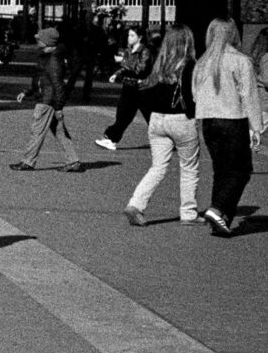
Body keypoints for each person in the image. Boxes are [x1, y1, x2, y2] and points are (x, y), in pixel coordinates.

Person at [123, 24, 202, 227]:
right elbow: (193, 94)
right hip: (181, 119)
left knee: (158, 166)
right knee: (189, 167)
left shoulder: (160, 63)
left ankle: (136, 203)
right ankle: (188, 213)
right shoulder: (190, 65)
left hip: (157, 120)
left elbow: (146, 89)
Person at [193, 18, 264, 237]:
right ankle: (218, 209)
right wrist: (256, 127)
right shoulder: (241, 61)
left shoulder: (202, 62)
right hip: (232, 120)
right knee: (241, 171)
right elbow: (249, 95)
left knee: (221, 169)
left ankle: (222, 216)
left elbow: (195, 93)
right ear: (234, 34)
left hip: (208, 121)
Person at [9, 26, 83, 173]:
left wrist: (59, 107)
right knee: (59, 131)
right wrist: (28, 92)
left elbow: (58, 86)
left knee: (37, 131)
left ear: (47, 42)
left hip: (47, 101)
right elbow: (42, 80)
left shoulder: (53, 61)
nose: (37, 41)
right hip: (49, 99)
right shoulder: (48, 56)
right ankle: (73, 161)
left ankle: (28, 161)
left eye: (40, 39)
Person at [97, 26, 155, 151]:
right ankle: (111, 138)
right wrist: (116, 74)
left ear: (140, 37)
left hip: (140, 87)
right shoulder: (129, 50)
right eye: (129, 35)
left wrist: (124, 62)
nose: (129, 38)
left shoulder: (145, 51)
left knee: (150, 115)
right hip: (128, 86)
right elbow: (125, 68)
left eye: (132, 35)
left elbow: (140, 69)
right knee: (123, 114)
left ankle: (166, 138)